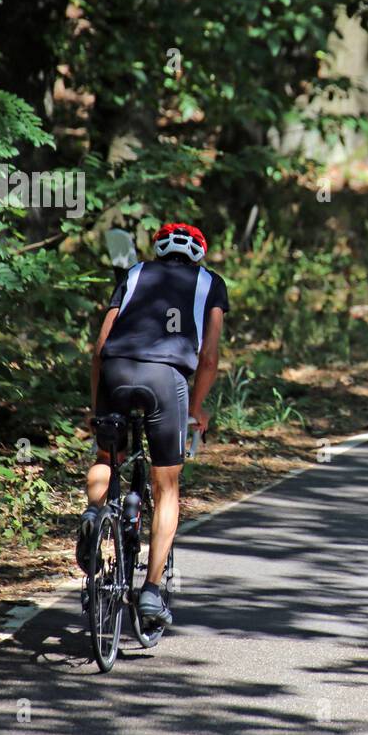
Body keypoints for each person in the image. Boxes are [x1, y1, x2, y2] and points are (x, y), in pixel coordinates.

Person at [76, 223, 228, 628]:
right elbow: (209, 357)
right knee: (166, 487)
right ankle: (152, 591)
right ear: (199, 254)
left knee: (108, 454)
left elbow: (99, 346)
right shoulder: (210, 283)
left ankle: (94, 516)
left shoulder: (134, 274)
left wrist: (96, 408)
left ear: (159, 251)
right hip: (166, 381)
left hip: (117, 369)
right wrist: (196, 409)